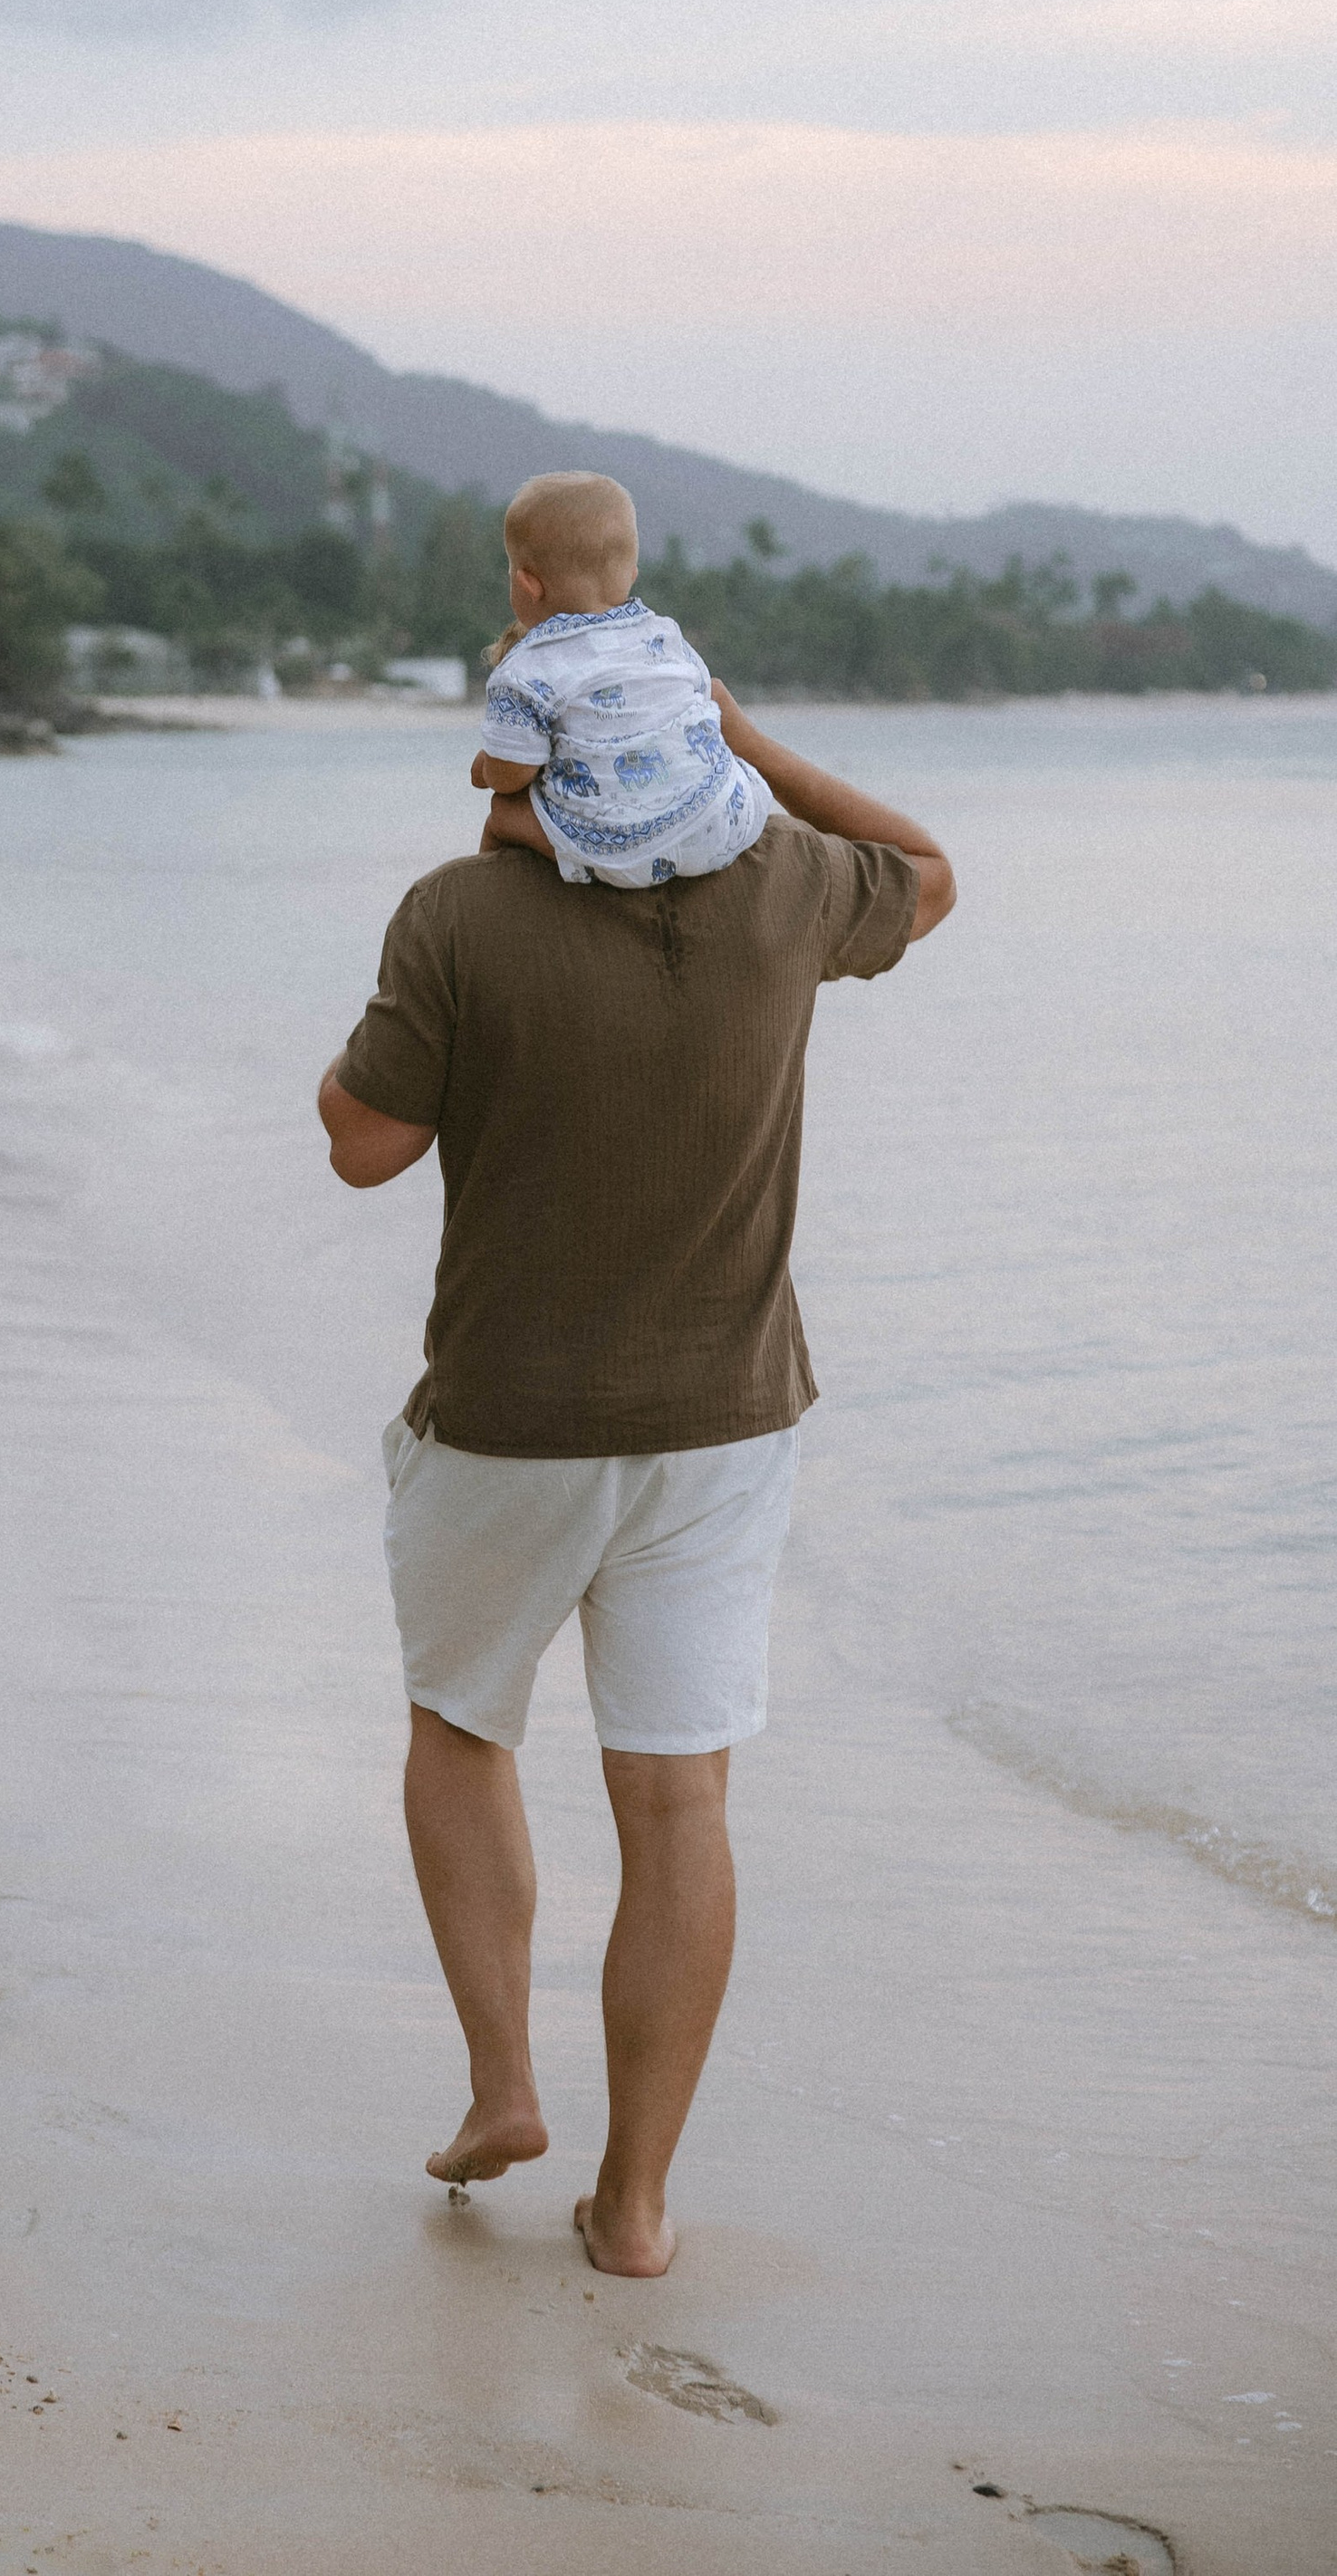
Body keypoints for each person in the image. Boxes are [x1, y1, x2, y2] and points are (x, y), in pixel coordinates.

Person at [318, 680, 955, 2273]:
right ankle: (640, 2204)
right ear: (688, 742)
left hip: (506, 1427)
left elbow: (360, 1142)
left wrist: (476, 951)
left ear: (524, 764)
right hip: (724, 1428)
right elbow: (926, 870)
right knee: (677, 1800)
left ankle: (504, 2090)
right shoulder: (786, 891)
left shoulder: (461, 914)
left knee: (461, 1730)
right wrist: (749, 740)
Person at [470, 470, 770, 889]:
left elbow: (511, 774)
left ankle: (484, 903)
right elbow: (700, 700)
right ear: (631, 573)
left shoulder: (525, 669)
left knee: (503, 813)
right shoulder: (664, 634)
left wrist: (486, 768)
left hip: (626, 854)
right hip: (722, 821)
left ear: (527, 583)